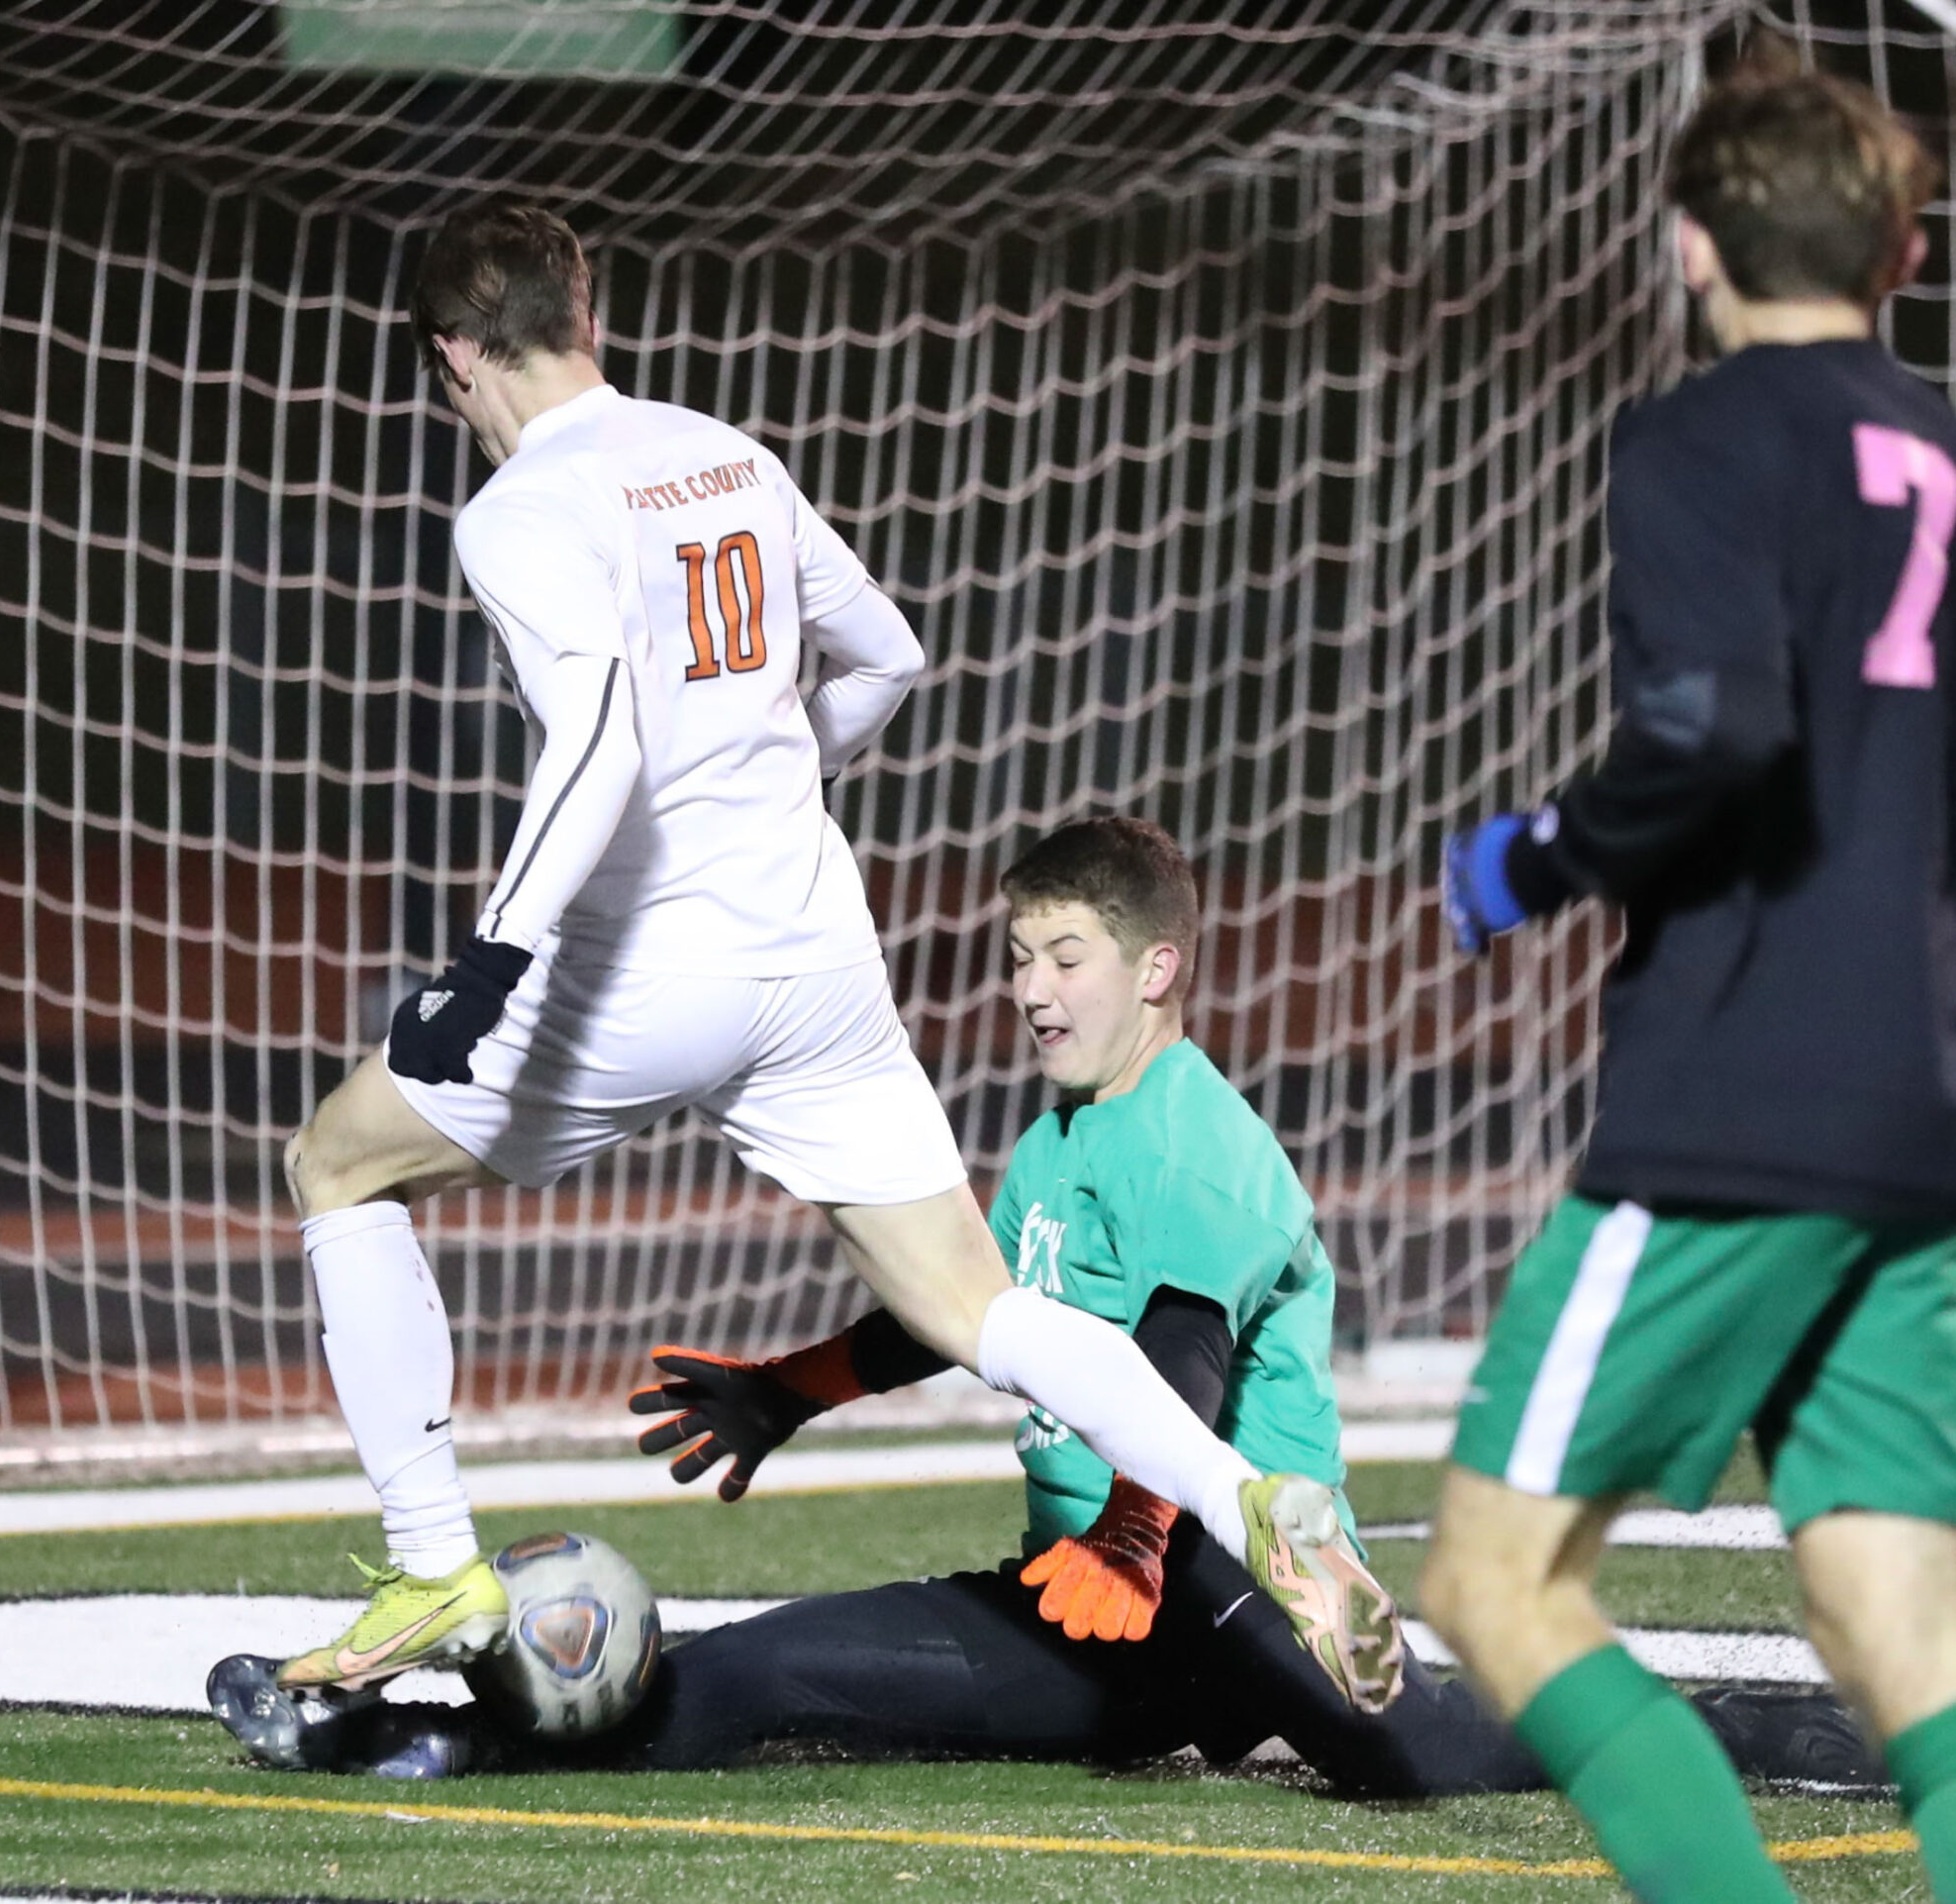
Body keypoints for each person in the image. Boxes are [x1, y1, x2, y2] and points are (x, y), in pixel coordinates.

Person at [275, 202, 1394, 1706]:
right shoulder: (728, 455)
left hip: (639, 977)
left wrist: (489, 960)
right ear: (586, 317)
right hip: (816, 963)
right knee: (978, 1309)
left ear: (456, 355)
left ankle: (432, 1568)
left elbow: (598, 737)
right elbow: (888, 655)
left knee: (338, 1166)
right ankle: (1250, 1503)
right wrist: (781, 778)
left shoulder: (518, 507)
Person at [213, 818, 1871, 1797]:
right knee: (754, 1678)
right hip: (1080, 1605)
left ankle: (1794, 1722)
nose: (1030, 988)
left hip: (1227, 1585)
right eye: (1019, 956)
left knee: (1428, 1763)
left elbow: (1179, 1368)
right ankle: (397, 1733)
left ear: (1155, 969)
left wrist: (1139, 1542)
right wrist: (787, 1391)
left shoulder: (1202, 1146)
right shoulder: (1058, 1137)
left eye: (1065, 956)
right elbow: (969, 1318)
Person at [1424, 60, 1956, 1904]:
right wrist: (1891, 964)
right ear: (1903, 254)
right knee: (1895, 1619)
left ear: (1691, 245)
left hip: (1735, 1113)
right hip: (1920, 1118)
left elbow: (1716, 725)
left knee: (1494, 1578)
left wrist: (1536, 858)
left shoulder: (1697, 437)